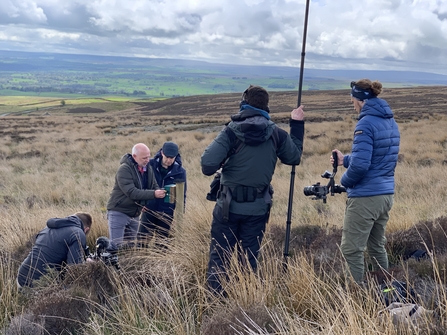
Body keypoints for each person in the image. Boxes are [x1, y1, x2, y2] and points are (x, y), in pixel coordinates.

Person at [201, 85, 304, 294]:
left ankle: (215, 305)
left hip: (228, 208)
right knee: (249, 260)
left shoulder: (231, 131)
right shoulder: (276, 134)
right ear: (266, 106)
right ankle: (246, 302)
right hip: (258, 209)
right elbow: (294, 157)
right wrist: (297, 125)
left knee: (220, 257)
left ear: (243, 103)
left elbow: (207, 165)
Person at [331, 79, 400, 283]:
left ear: (359, 99)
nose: (352, 103)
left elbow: (361, 166)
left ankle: (358, 300)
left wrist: (345, 181)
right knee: (376, 246)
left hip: (366, 198)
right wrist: (346, 160)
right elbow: (378, 157)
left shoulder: (365, 123)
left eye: (352, 99)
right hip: (385, 195)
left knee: (351, 250)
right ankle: (386, 292)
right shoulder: (389, 121)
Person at [106, 143, 166, 247]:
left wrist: (157, 193)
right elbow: (132, 192)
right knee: (115, 248)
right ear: (135, 156)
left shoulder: (148, 168)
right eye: (144, 158)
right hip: (119, 212)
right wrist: (154, 194)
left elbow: (153, 185)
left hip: (135, 214)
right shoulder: (124, 169)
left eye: (148, 156)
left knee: (130, 250)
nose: (147, 160)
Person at [17, 212, 93, 288]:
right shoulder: (78, 233)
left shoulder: (49, 227)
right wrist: (89, 265)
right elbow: (74, 270)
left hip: (21, 277)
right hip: (38, 284)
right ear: (86, 229)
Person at [139, 141, 187, 242]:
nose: (169, 160)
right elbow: (141, 184)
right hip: (149, 209)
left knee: (162, 243)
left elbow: (182, 195)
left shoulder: (180, 171)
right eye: (167, 157)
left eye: (172, 158)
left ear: (176, 156)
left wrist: (178, 216)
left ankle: (159, 258)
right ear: (162, 153)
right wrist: (141, 202)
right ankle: (141, 258)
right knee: (142, 241)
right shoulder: (150, 165)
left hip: (167, 212)